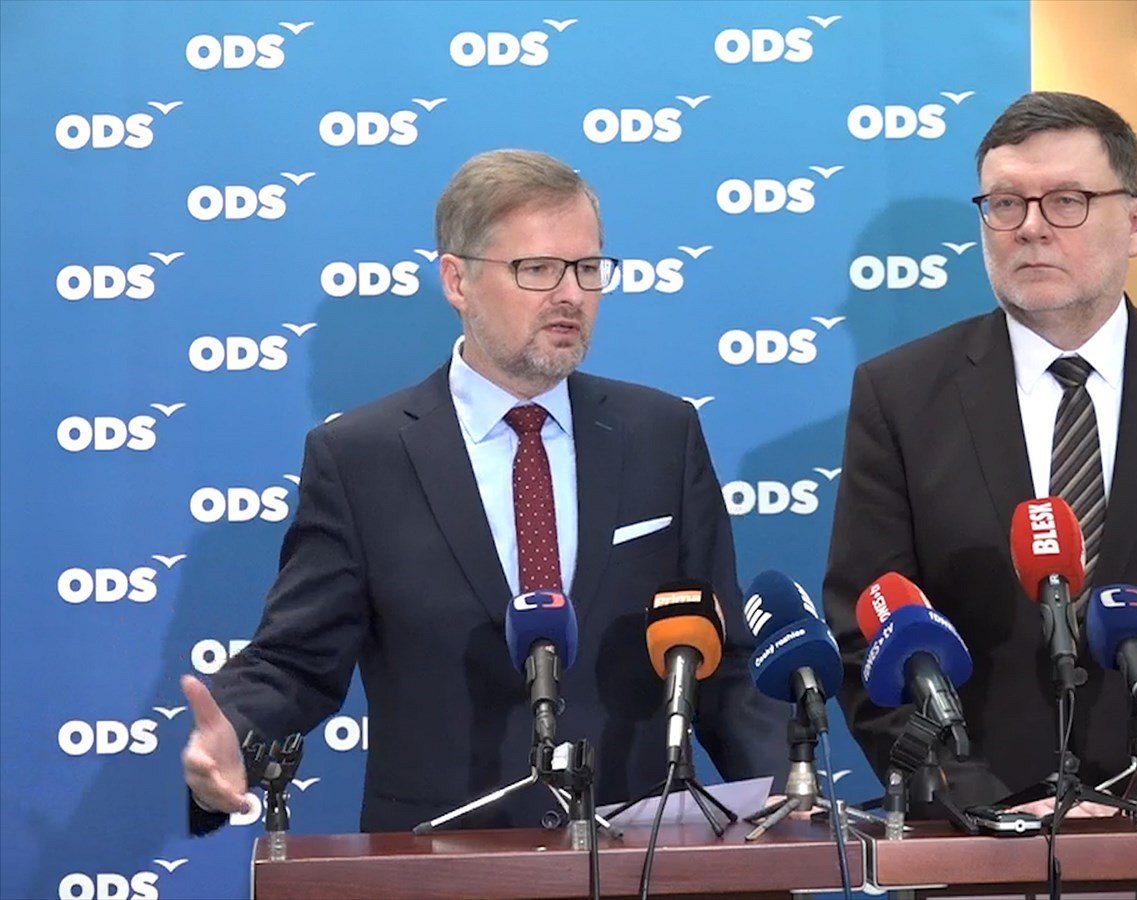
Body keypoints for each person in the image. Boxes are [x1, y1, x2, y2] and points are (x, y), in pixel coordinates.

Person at [182, 149, 789, 834]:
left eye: (588, 268)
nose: (570, 294)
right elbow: (297, 659)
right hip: (441, 853)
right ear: (457, 280)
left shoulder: (661, 434)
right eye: (538, 269)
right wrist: (233, 732)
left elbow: (722, 661)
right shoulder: (360, 458)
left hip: (636, 850)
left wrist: (783, 805)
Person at [823, 92, 1137, 816]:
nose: (1031, 228)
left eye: (1066, 201)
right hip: (975, 836)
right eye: (1005, 204)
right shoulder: (900, 396)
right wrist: (978, 805)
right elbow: (867, 635)